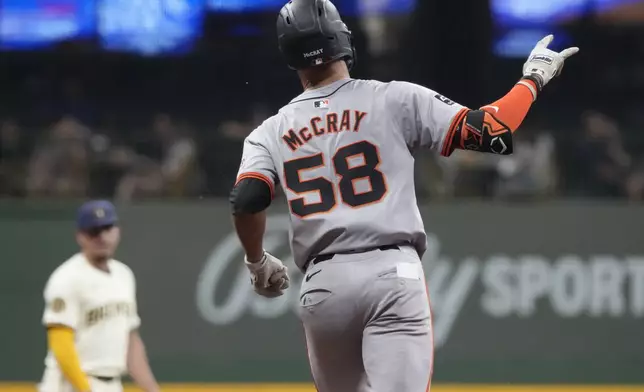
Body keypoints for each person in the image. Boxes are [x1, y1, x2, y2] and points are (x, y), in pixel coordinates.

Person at [228, 0, 579, 391]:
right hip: (391, 273)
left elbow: (246, 199)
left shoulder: (270, 131)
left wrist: (257, 262)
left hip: (323, 284)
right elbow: (490, 131)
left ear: (289, 55)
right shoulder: (392, 98)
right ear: (343, 38)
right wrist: (532, 79)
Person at [38, 200, 160, 392]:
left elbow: (130, 340)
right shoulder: (67, 278)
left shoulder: (124, 275)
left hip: (111, 384)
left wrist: (153, 390)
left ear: (117, 231)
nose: (102, 237)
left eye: (107, 228)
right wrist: (85, 389)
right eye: (93, 231)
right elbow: (61, 344)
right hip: (69, 385)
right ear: (80, 236)